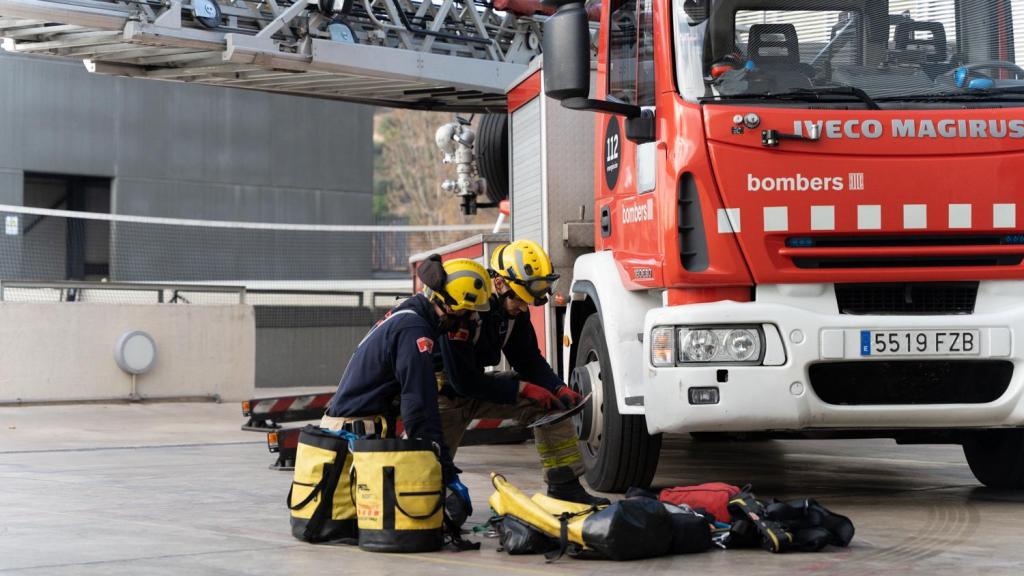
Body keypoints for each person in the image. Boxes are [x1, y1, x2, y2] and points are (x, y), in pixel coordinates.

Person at [437, 239, 609, 507]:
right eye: (519, 298)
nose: (523, 307)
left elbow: (527, 359)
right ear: (500, 283)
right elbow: (462, 380)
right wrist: (523, 389)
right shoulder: (465, 303)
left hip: (474, 388)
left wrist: (556, 388)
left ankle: (564, 486)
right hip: (440, 398)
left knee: (547, 404)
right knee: (428, 480)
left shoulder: (513, 313)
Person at [321, 256, 491, 510]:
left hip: (356, 434)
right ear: (451, 306)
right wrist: (445, 470)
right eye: (469, 312)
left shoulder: (408, 314)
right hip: (353, 441)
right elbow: (419, 409)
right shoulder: (414, 330)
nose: (472, 319)